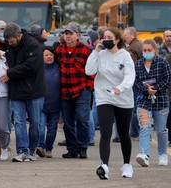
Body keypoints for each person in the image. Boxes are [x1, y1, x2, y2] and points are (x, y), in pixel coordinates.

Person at [86, 27, 135, 179]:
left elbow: (129, 76)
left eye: (109, 37)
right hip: (104, 97)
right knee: (105, 132)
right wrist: (95, 51)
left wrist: (121, 88)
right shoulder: (99, 54)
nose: (105, 39)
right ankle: (104, 166)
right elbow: (89, 70)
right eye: (104, 36)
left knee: (123, 133)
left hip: (123, 98)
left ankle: (127, 165)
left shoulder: (125, 55)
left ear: (117, 40)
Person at [2, 23, 46, 162]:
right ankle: (22, 150)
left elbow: (30, 67)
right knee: (19, 122)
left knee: (35, 122)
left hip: (34, 90)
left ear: (19, 35)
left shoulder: (33, 45)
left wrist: (10, 73)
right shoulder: (8, 45)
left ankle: (33, 149)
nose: (10, 43)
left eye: (12, 41)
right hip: (16, 90)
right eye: (8, 41)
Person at [56, 24, 93, 159]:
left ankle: (82, 147)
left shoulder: (85, 50)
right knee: (67, 121)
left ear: (77, 35)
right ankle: (72, 149)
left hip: (82, 89)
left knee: (82, 119)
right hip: (65, 90)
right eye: (66, 33)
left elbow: (92, 69)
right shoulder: (59, 50)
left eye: (71, 33)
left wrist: (89, 86)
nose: (68, 36)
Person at [134, 39, 171, 167]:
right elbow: (136, 82)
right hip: (144, 100)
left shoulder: (162, 62)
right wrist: (146, 90)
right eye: (144, 50)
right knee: (145, 127)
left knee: (161, 130)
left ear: (155, 50)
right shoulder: (138, 64)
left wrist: (156, 89)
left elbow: (168, 79)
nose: (147, 52)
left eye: (149, 50)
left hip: (160, 100)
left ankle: (162, 154)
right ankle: (145, 154)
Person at [37, 46, 60, 158]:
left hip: (55, 105)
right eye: (46, 55)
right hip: (41, 105)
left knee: (52, 129)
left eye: (51, 55)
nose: (49, 57)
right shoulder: (38, 68)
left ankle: (48, 149)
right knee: (40, 128)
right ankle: (40, 147)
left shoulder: (58, 67)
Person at [124, 27, 143, 141]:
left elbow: (131, 66)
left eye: (126, 35)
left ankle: (135, 133)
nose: (124, 37)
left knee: (135, 107)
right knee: (140, 106)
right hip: (141, 80)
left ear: (131, 35)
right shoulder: (139, 45)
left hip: (135, 81)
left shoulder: (132, 48)